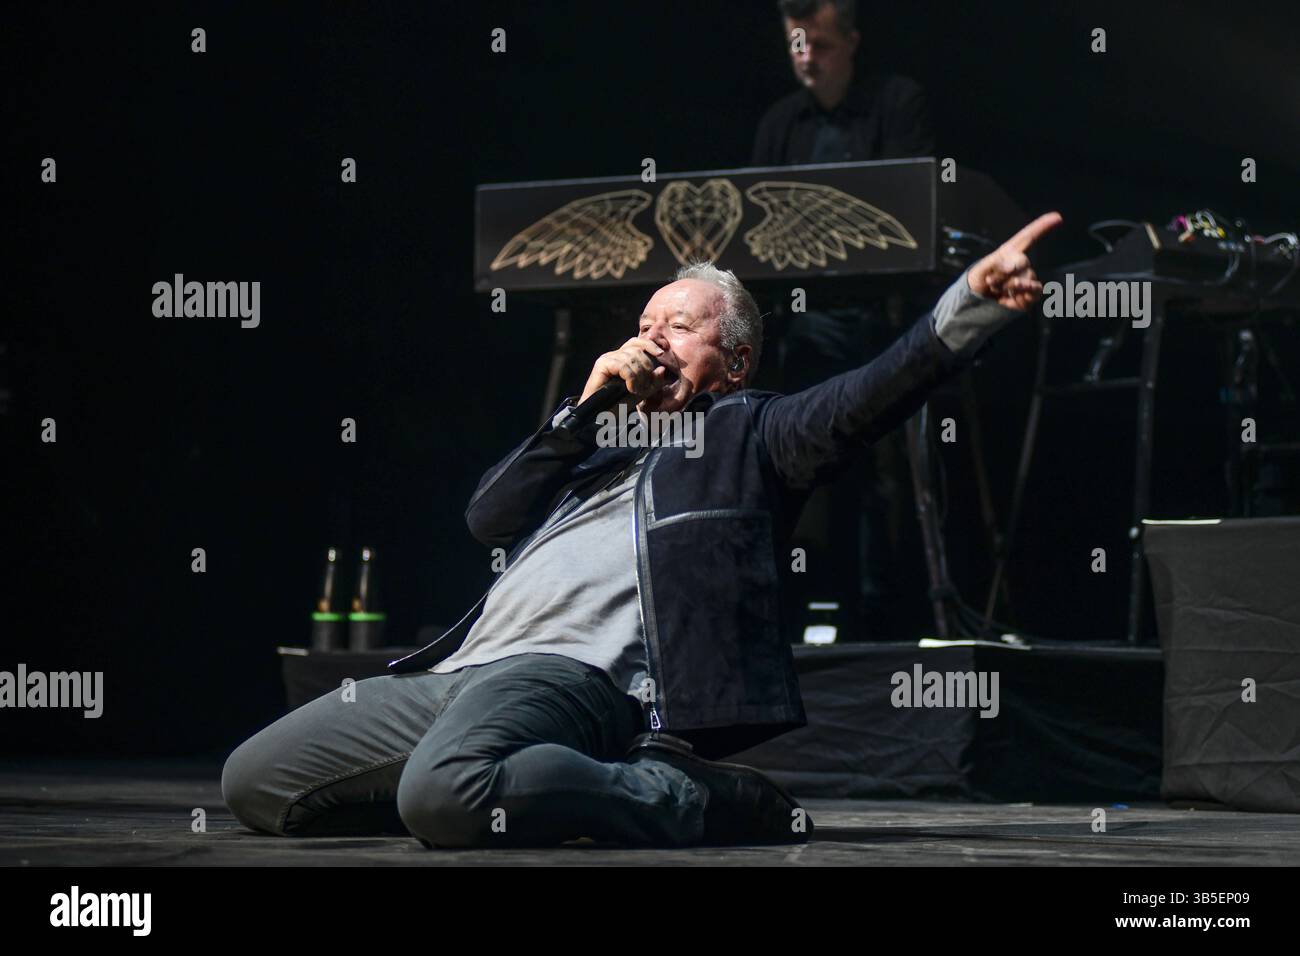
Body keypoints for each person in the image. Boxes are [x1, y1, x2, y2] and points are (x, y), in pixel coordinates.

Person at [221, 213, 1062, 848]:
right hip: (461, 669)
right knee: (254, 782)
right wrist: (582, 412)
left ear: (731, 363)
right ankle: (510, 787)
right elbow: (487, 516)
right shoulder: (590, 447)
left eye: (681, 326)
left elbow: (867, 396)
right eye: (647, 324)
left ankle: (683, 795)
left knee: (443, 797)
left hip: (576, 676)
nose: (653, 338)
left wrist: (968, 309)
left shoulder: (751, 434)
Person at [752, 0, 938, 639]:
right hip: (806, 327)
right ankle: (808, 611)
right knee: (799, 459)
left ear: (852, 42)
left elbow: (911, 218)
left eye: (821, 45)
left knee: (883, 471)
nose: (806, 56)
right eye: (796, 44)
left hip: (884, 323)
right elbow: (757, 228)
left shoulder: (896, 103)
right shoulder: (781, 122)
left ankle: (881, 619)